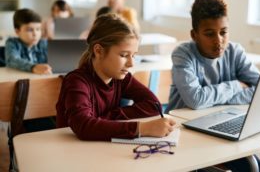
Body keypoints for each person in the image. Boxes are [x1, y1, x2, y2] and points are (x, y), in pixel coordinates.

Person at [166, 0, 260, 172]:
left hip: (220, 128)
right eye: (209, 34)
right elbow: (195, 100)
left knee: (257, 168)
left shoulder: (235, 51)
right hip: (183, 134)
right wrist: (236, 85)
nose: (218, 41)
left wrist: (215, 98)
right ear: (194, 35)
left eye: (223, 32)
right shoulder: (183, 54)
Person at [56, 13, 176, 141]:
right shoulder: (76, 81)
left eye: (133, 55)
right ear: (99, 51)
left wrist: (107, 117)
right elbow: (83, 126)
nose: (131, 64)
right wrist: (141, 128)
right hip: (70, 152)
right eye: (124, 55)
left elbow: (153, 105)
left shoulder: (121, 78)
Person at [5, 8, 52, 74]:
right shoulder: (12, 43)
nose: (35, 34)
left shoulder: (43, 43)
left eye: (38, 29)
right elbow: (12, 60)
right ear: (17, 31)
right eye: (30, 30)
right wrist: (33, 67)